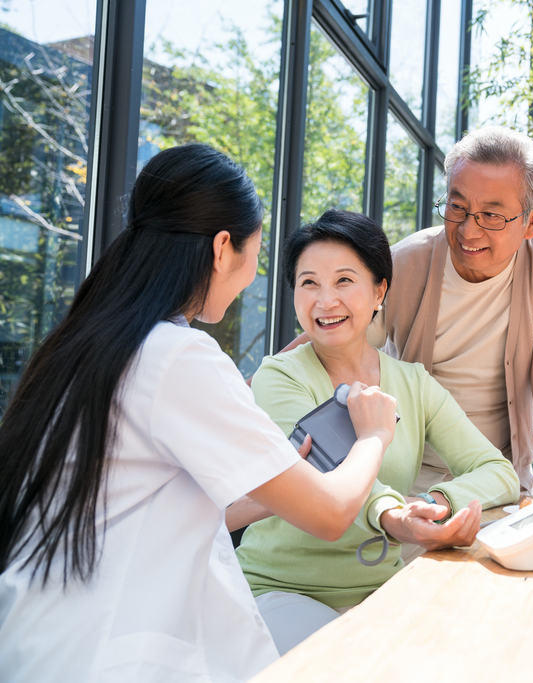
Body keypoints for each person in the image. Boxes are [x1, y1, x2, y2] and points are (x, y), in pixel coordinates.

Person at [0, 144, 398, 683]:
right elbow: (330, 514)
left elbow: (139, 505)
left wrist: (263, 491)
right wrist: (372, 434)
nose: (253, 276)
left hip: (43, 641)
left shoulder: (91, 340)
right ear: (221, 248)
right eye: (255, 255)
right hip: (106, 656)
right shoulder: (179, 356)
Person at [235, 210, 519, 654]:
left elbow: (497, 470)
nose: (325, 300)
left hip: (380, 591)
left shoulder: (414, 383)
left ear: (379, 291)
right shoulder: (279, 377)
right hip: (281, 591)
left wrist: (436, 503)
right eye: (309, 283)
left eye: (344, 281)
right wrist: (395, 517)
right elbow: (322, 481)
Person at [374, 126, 533, 495]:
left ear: (531, 222)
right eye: (457, 207)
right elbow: (336, 347)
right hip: (409, 480)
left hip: (499, 478)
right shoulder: (405, 263)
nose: (468, 232)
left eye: (491, 216)